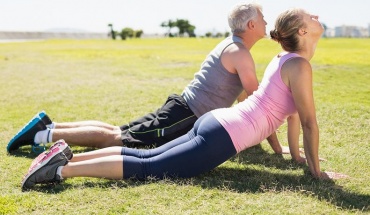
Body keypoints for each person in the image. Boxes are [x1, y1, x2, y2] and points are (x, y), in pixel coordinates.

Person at [21, 8, 349, 189]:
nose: (316, 15)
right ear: (302, 32)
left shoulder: (283, 60)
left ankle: (63, 159)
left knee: (149, 158)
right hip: (224, 133)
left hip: (216, 122)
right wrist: (317, 173)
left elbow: (293, 118)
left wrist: (296, 159)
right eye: (311, 16)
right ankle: (61, 171)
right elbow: (308, 122)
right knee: (148, 167)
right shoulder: (299, 65)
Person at [7, 2, 282, 154]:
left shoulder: (232, 46)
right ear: (251, 25)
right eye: (263, 18)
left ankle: (50, 125)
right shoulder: (239, 52)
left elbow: (247, 102)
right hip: (185, 115)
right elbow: (259, 107)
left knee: (117, 131)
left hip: (182, 108)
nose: (267, 23)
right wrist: (278, 149)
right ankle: (42, 134)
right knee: (118, 140)